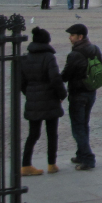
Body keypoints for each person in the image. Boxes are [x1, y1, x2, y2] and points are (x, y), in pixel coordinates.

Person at [20, 27, 66, 176]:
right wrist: (62, 94)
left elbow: (21, 82)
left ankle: (26, 164)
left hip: (33, 99)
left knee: (33, 134)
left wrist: (30, 94)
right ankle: (51, 164)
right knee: (52, 133)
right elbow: (55, 78)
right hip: (50, 99)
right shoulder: (48, 57)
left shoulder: (25, 58)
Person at [60, 23, 102, 170]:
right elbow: (101, 67)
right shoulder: (94, 49)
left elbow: (66, 75)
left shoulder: (75, 54)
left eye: (72, 35)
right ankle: (80, 153)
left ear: (80, 37)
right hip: (91, 92)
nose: (70, 38)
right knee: (84, 124)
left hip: (78, 94)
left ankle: (88, 158)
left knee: (78, 126)